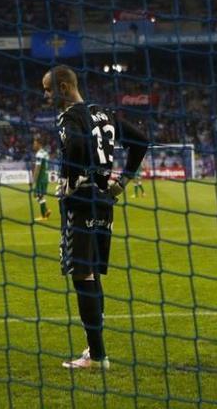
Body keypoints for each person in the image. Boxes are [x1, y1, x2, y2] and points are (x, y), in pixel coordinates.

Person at [43, 65, 148, 370]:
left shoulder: (69, 116)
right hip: (104, 200)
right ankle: (94, 350)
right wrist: (123, 182)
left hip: (81, 201)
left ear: (63, 88)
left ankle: (99, 356)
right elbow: (140, 140)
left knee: (81, 275)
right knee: (92, 275)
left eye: (48, 89)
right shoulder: (104, 112)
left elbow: (75, 144)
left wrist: (70, 179)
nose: (45, 95)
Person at [31, 136, 53, 221]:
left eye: (35, 143)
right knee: (37, 195)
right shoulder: (45, 153)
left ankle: (44, 215)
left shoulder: (39, 154)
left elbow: (38, 167)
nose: (33, 145)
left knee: (38, 195)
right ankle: (46, 211)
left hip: (41, 178)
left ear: (39, 144)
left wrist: (34, 179)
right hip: (45, 177)